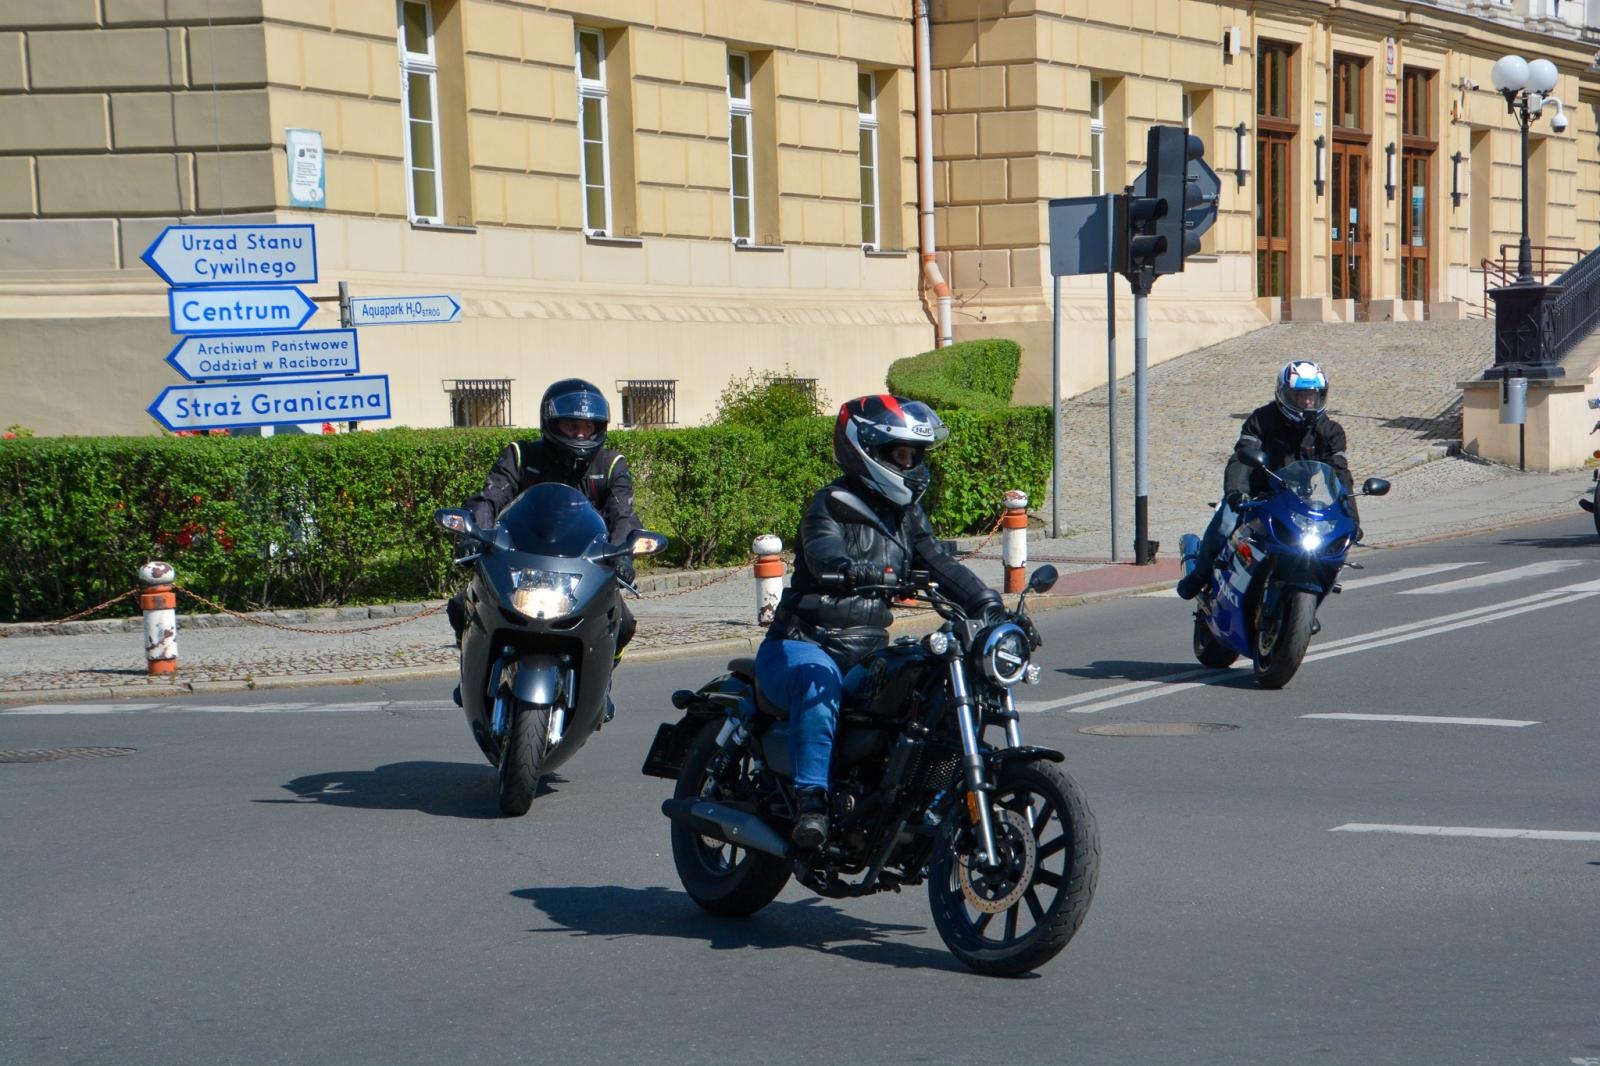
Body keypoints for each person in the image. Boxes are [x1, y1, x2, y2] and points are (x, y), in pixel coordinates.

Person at [757, 395, 1007, 850]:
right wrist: (851, 569)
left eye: (915, 455)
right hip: (803, 644)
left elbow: (938, 562)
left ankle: (906, 798)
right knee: (819, 683)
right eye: (901, 455)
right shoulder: (830, 505)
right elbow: (823, 551)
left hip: (863, 652)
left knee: (922, 680)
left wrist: (989, 604)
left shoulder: (907, 516)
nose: (911, 465)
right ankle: (812, 800)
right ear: (867, 451)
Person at [448, 379, 643, 696]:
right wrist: (476, 533)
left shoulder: (610, 465)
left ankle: (602, 677)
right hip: (520, 560)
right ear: (551, 423)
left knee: (623, 626)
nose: (581, 433)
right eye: (571, 425)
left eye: (588, 425)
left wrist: (622, 552)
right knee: (463, 607)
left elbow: (623, 514)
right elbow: (489, 497)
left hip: (585, 568)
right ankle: (470, 671)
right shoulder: (521, 456)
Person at [1176, 360, 1360, 600]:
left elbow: (1340, 473)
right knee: (1225, 524)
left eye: (1313, 395)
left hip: (1300, 501)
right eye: (1300, 395)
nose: (1307, 402)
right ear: (1284, 394)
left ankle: (1306, 599)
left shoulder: (1331, 431)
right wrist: (1236, 493)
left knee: (1331, 547)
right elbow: (1241, 459)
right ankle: (1200, 575)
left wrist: (1350, 515)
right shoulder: (1261, 420)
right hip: (1257, 495)